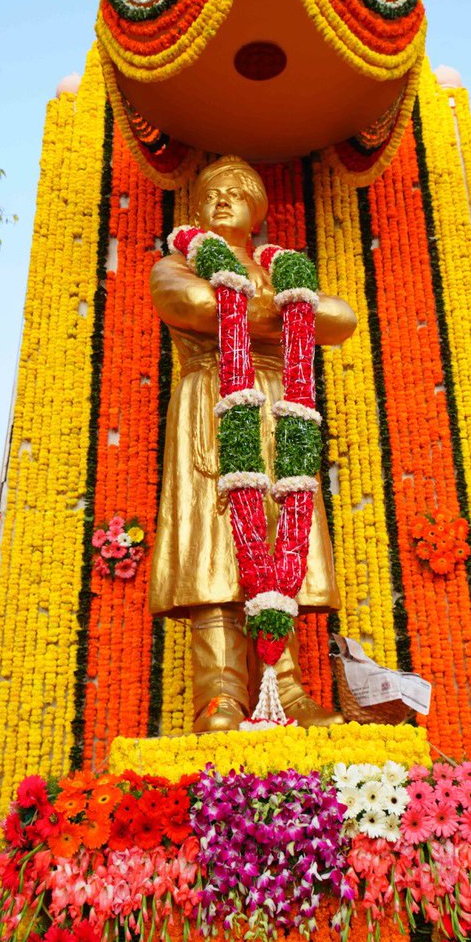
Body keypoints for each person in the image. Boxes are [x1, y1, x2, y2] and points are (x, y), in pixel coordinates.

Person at [148, 156, 357, 732]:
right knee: (214, 544)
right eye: (213, 190)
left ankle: (284, 689)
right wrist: (288, 318)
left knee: (277, 541)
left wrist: (250, 310)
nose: (224, 197)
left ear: (257, 212)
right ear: (196, 208)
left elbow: (341, 319)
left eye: (239, 191)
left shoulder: (285, 270)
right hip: (213, 401)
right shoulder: (177, 264)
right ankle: (220, 695)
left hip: (277, 404)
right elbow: (190, 305)